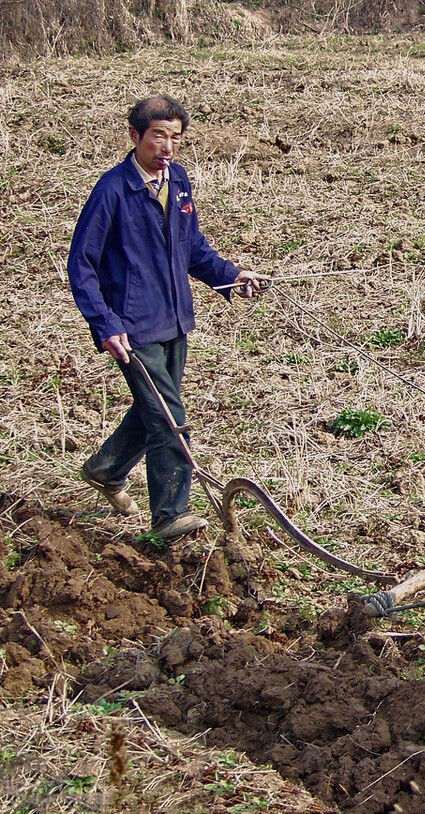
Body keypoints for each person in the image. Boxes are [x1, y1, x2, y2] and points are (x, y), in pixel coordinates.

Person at [67, 94, 268, 540]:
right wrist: (105, 324)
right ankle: (169, 515)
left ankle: (106, 468)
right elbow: (81, 264)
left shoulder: (177, 181)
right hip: (132, 326)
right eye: (158, 136)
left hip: (175, 319)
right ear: (136, 136)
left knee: (154, 408)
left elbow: (191, 248)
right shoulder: (112, 191)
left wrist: (231, 275)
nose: (168, 147)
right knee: (169, 417)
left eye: (175, 138)